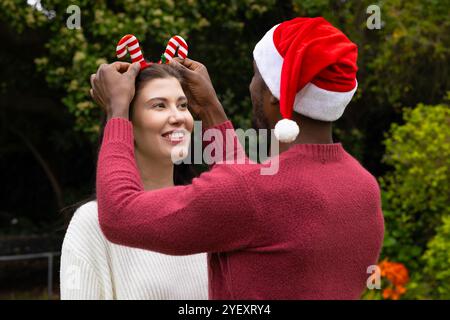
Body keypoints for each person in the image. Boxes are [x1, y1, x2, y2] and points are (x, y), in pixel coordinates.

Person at [90, 17, 385, 299]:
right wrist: (210, 108)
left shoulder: (252, 193)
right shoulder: (364, 188)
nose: (251, 85)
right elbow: (247, 197)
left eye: (256, 75)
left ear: (273, 95)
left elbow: (120, 215)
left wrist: (117, 111)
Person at [60, 63, 208, 300]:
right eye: (159, 105)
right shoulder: (91, 223)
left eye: (182, 105)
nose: (178, 117)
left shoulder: (206, 209)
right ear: (126, 121)